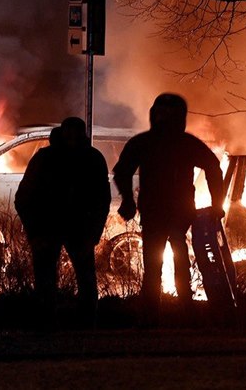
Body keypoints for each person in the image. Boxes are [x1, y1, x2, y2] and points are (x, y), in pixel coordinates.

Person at [113, 93, 224, 326]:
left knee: (161, 264)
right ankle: (177, 313)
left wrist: (218, 203)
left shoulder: (150, 142)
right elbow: (122, 171)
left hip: (168, 212)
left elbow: (122, 171)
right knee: (169, 262)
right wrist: (217, 204)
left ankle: (162, 314)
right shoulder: (180, 143)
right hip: (166, 212)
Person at [15, 117, 110, 328]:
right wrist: (34, 232)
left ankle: (84, 327)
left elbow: (102, 199)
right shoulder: (46, 158)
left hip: (78, 230)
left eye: (76, 134)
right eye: (69, 134)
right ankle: (46, 325)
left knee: (84, 280)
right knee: (47, 281)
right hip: (49, 229)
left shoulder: (91, 159)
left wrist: (93, 235)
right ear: (62, 133)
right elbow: (24, 197)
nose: (72, 139)